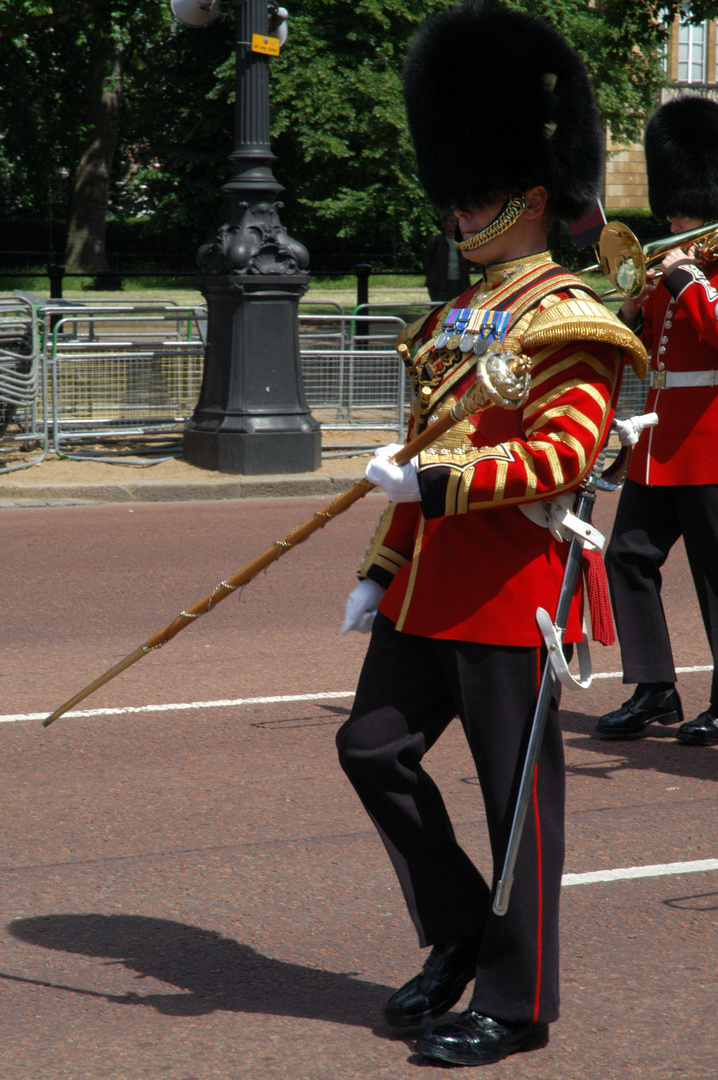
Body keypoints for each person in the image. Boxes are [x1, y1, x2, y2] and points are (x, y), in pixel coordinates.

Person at [336, 1, 645, 1068]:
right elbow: (422, 446)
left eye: (477, 197)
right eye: (457, 195)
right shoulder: (453, 319)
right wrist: (382, 564)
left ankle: (516, 1004)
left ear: (531, 195)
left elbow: (562, 457)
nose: (460, 214)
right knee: (369, 748)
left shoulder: (573, 321)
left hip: (514, 587)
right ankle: (460, 929)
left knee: (519, 808)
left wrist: (429, 478)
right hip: (429, 586)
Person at [595, 95, 718, 749]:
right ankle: (654, 685)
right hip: (662, 439)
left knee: (715, 574)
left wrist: (689, 279)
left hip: (713, 442)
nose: (674, 220)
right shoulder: (672, 267)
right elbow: (647, 352)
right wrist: (636, 303)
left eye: (687, 209)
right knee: (628, 556)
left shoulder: (703, 270)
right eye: (672, 208)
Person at [422, 209, 473, 301]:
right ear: (444, 223)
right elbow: (427, 263)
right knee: (441, 310)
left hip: (460, 284)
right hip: (440, 286)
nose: (454, 224)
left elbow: (469, 262)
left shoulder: (464, 242)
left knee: (456, 310)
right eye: (451, 221)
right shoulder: (435, 242)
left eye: (456, 221)